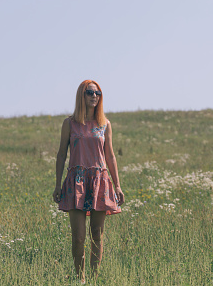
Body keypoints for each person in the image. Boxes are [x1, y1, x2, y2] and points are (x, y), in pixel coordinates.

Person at [53, 79, 125, 283]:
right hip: (76, 182)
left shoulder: (105, 124)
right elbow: (60, 155)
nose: (94, 96)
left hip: (100, 181)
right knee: (78, 237)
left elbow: (110, 156)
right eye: (90, 93)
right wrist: (57, 184)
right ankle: (80, 278)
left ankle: (94, 279)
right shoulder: (70, 123)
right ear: (81, 96)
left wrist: (118, 185)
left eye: (98, 93)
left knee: (97, 235)